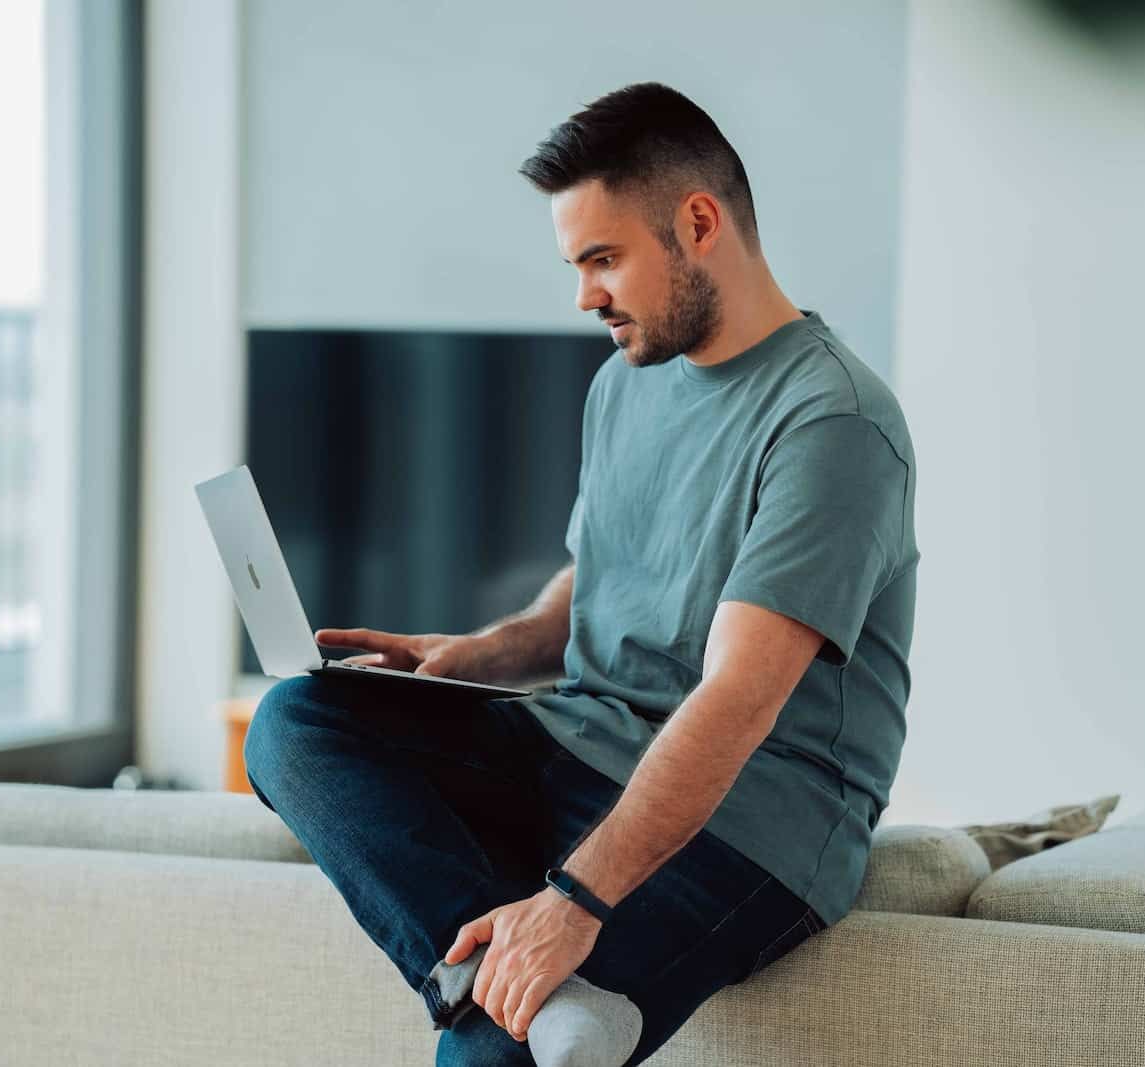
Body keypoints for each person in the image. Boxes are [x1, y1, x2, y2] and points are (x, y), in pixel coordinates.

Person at [243, 81, 920, 1067]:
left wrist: (575, 901)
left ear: (698, 224)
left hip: (756, 820)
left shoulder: (831, 421)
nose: (583, 295)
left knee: (491, 1062)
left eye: (603, 259)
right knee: (299, 721)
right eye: (576, 264)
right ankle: (493, 987)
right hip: (583, 741)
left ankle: (503, 1014)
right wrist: (487, 650)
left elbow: (738, 695)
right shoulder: (624, 383)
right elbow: (599, 569)